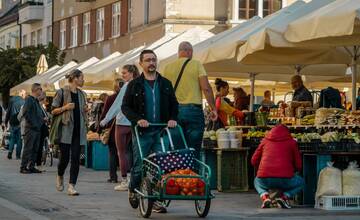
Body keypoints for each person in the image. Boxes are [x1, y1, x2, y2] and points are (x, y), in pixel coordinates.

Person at [122, 50, 178, 213]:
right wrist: (138, 119)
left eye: (153, 60)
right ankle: (133, 188)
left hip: (161, 131)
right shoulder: (134, 85)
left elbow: (174, 104)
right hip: (141, 132)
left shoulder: (165, 83)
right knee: (140, 164)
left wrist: (173, 118)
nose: (151, 63)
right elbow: (125, 107)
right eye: (147, 60)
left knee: (160, 165)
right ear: (141, 64)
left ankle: (155, 198)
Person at [163, 41, 217, 159]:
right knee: (193, 150)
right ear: (189, 52)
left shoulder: (167, 67)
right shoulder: (196, 64)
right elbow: (206, 88)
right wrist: (213, 108)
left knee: (177, 150)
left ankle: (178, 176)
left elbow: (164, 93)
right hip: (193, 112)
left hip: (174, 113)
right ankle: (192, 176)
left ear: (179, 52)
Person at [100, 65, 140, 191]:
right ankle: (134, 178)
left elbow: (118, 105)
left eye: (124, 73)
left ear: (131, 73)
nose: (122, 75)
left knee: (121, 153)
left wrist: (105, 120)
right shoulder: (140, 84)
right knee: (132, 152)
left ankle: (124, 180)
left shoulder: (127, 86)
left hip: (122, 122)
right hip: (135, 123)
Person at [52, 69, 88, 196]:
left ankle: (72, 186)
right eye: (82, 78)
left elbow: (83, 112)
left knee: (76, 159)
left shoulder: (82, 94)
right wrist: (65, 108)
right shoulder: (61, 92)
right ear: (75, 78)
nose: (83, 80)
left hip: (79, 131)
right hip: (66, 131)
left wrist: (85, 110)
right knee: (64, 159)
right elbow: (53, 111)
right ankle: (60, 174)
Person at [251, 124, 304, 209]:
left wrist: (262, 168)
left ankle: (265, 197)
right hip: (285, 180)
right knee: (301, 182)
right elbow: (298, 165)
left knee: (256, 181)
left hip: (265, 179)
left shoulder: (264, 141)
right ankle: (284, 197)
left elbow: (253, 161)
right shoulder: (292, 142)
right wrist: (293, 170)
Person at [99, 79, 124, 183]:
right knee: (125, 152)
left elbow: (105, 113)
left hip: (113, 129)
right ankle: (126, 175)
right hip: (125, 127)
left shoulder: (111, 98)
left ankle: (113, 177)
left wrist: (100, 127)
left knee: (113, 153)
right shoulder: (128, 96)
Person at [20, 84, 46, 174]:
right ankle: (23, 167)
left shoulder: (35, 101)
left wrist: (41, 120)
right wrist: (34, 124)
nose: (41, 91)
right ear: (35, 89)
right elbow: (25, 113)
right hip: (31, 129)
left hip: (36, 129)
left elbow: (37, 114)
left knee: (35, 149)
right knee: (28, 148)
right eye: (40, 89)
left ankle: (31, 166)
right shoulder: (29, 100)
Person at [5, 90, 26, 160]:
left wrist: (6, 121)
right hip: (20, 122)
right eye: (24, 94)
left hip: (12, 122)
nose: (25, 95)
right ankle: (18, 155)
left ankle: (10, 152)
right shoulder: (24, 101)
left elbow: (8, 111)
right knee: (19, 139)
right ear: (21, 94)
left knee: (12, 138)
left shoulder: (12, 100)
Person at [36, 92, 50, 171]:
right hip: (39, 130)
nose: (45, 99)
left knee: (40, 147)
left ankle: (38, 164)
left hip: (42, 130)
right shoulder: (38, 106)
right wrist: (44, 119)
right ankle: (37, 164)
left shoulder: (42, 107)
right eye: (45, 97)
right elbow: (38, 117)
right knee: (39, 147)